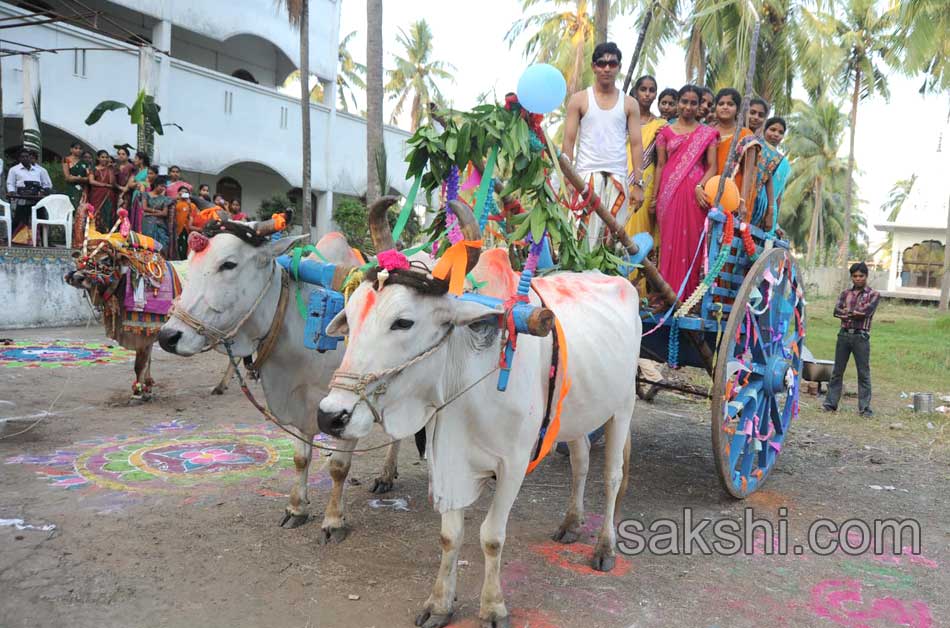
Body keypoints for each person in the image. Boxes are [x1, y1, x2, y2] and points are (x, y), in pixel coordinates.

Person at [561, 41, 644, 250]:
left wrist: (639, 185)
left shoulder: (629, 103)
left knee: (613, 244)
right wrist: (567, 178)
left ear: (618, 67)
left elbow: (636, 144)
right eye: (601, 63)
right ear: (594, 67)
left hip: (618, 178)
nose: (607, 68)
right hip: (585, 177)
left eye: (612, 63)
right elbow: (568, 140)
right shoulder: (579, 99)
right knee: (580, 240)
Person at [652, 85, 719, 297]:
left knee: (690, 244)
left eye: (693, 103)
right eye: (684, 102)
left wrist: (701, 186)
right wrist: (654, 197)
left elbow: (713, 167)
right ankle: (666, 296)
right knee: (669, 242)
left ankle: (688, 296)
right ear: (678, 102)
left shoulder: (707, 134)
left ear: (699, 106)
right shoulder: (664, 133)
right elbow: (661, 165)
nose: (688, 107)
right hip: (668, 193)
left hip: (694, 195)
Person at [823, 262, 879, 417]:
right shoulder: (845, 293)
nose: (858, 279)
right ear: (851, 277)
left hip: (861, 336)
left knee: (863, 373)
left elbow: (866, 312)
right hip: (844, 334)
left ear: (866, 276)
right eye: (855, 276)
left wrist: (849, 312)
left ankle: (865, 408)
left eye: (861, 276)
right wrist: (853, 313)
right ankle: (830, 404)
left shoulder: (873, 294)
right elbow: (836, 311)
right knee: (837, 371)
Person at [712, 88, 760, 214]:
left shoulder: (746, 135)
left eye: (730, 104)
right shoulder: (707, 132)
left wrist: (742, 200)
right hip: (706, 192)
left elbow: (748, 171)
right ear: (715, 107)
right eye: (721, 104)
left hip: (733, 193)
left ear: (738, 109)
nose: (725, 107)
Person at [751, 116, 791, 232]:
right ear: (765, 130)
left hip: (764, 209)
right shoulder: (754, 145)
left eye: (780, 132)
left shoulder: (781, 161)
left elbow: (779, 194)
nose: (776, 134)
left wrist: (774, 219)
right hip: (748, 199)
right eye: (772, 129)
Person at [6, 148, 52, 237]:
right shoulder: (14, 170)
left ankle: (45, 240)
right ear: (19, 158)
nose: (25, 158)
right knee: (19, 219)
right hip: (22, 198)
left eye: (27, 156)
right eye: (22, 157)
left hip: (36, 198)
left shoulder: (38, 170)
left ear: (30, 158)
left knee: (42, 218)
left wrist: (43, 191)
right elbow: (10, 183)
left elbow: (46, 184)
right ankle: (12, 238)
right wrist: (11, 192)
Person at [87, 149, 118, 232]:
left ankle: (107, 235)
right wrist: (104, 185)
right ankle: (95, 234)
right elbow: (91, 181)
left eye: (106, 157)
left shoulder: (110, 169)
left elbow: (112, 183)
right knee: (96, 214)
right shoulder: (93, 169)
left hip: (109, 195)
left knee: (108, 214)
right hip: (96, 195)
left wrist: (110, 170)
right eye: (102, 157)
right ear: (98, 158)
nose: (104, 159)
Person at [141, 175, 171, 250]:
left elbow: (164, 213)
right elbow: (144, 208)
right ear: (156, 185)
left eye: (164, 187)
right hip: (147, 223)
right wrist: (158, 211)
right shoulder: (146, 195)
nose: (163, 189)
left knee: (162, 245)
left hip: (159, 224)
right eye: (161, 186)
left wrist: (150, 213)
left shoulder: (165, 199)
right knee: (147, 244)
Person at [173, 187, 199, 258]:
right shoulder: (175, 203)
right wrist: (176, 198)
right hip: (176, 229)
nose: (184, 194)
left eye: (186, 192)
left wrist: (189, 204)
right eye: (182, 192)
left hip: (187, 229)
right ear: (178, 193)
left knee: (185, 247)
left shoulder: (192, 205)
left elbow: (194, 216)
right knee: (177, 247)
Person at [62, 141, 88, 210]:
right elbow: (67, 177)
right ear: (71, 149)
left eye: (80, 149)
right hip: (70, 188)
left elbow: (88, 178)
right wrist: (82, 179)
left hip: (82, 190)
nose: (78, 150)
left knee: (80, 210)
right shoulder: (66, 160)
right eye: (76, 148)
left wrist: (74, 177)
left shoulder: (84, 163)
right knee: (70, 209)